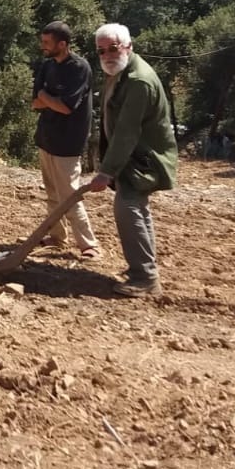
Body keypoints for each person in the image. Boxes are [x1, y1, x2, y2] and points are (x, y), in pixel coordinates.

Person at [87, 23, 178, 297]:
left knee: (128, 208)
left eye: (113, 48)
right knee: (136, 209)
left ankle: (145, 279)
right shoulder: (120, 72)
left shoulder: (138, 81)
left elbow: (126, 132)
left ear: (128, 46)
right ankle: (143, 269)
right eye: (101, 51)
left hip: (142, 159)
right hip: (133, 156)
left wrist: (106, 171)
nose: (107, 55)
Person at [31, 21, 99, 260]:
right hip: (46, 138)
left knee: (70, 195)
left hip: (68, 143)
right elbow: (35, 101)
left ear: (63, 44)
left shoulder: (79, 68)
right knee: (51, 193)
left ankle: (88, 245)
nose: (43, 47)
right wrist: (49, 100)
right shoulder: (47, 65)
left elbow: (66, 107)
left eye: (47, 43)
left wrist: (46, 98)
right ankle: (58, 237)